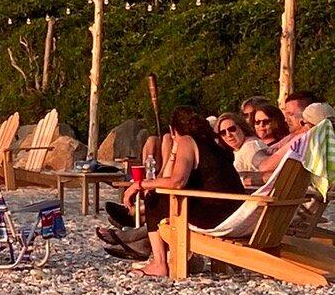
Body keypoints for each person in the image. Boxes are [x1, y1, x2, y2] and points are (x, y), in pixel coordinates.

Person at [99, 107, 246, 275]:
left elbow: (176, 181)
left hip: (217, 217)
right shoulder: (213, 145)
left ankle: (159, 263)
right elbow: (169, 177)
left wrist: (139, 185)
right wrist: (174, 152)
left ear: (173, 129)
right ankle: (143, 243)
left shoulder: (187, 141)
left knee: (154, 198)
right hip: (234, 210)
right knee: (161, 194)